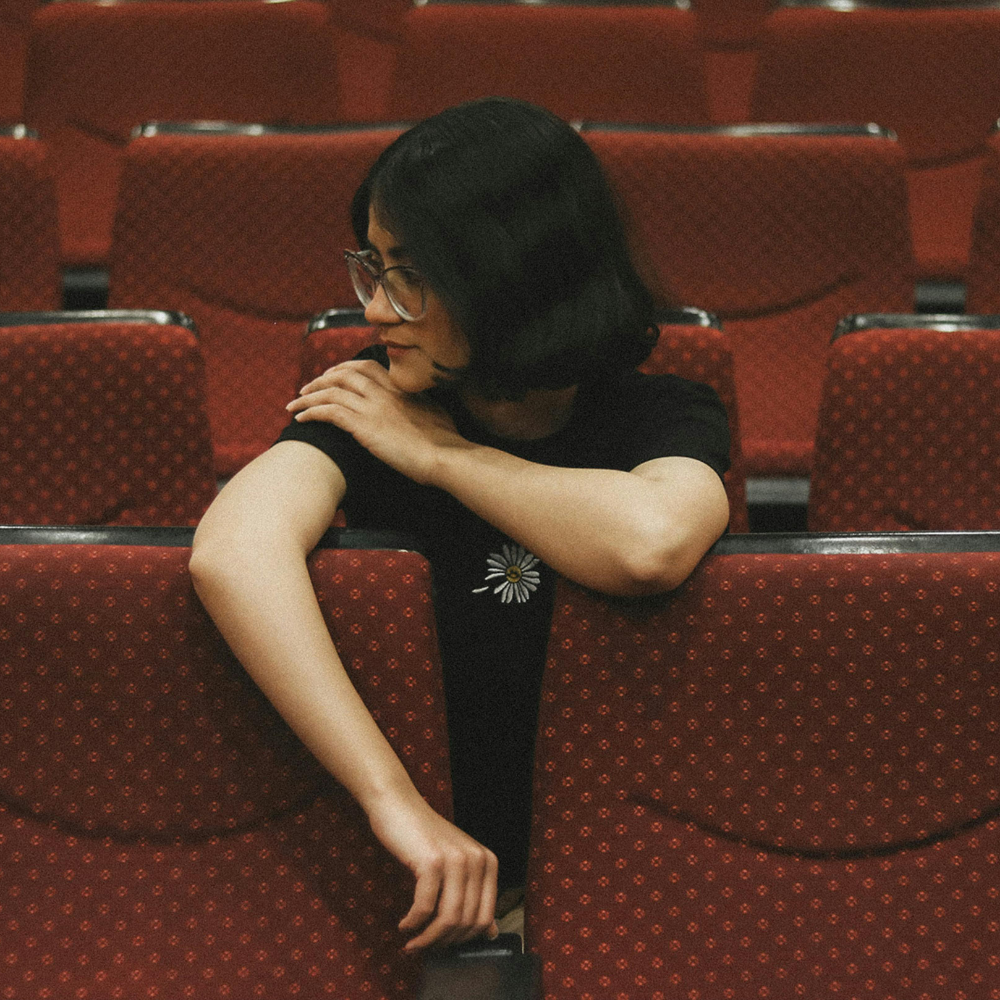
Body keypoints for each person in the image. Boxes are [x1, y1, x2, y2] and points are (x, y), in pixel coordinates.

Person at [189, 96, 731, 953]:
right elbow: (231, 551)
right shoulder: (372, 397)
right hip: (408, 881)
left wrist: (441, 456)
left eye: (410, 273)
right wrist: (392, 801)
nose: (376, 309)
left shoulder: (657, 412)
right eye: (373, 267)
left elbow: (650, 545)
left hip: (635, 885)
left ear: (509, 274)